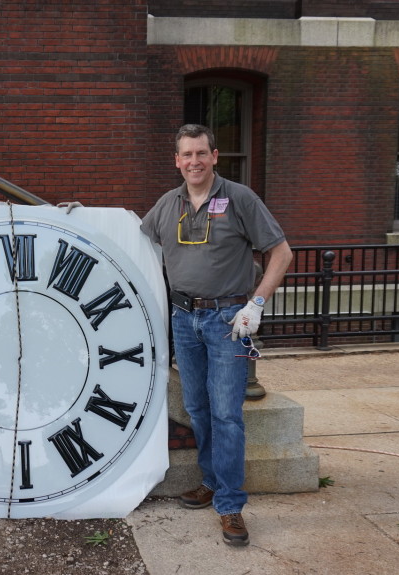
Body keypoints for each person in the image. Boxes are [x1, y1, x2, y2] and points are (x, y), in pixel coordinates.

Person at [140, 124, 293, 547]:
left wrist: (257, 304)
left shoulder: (240, 198)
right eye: (186, 155)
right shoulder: (167, 204)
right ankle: (210, 481)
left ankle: (230, 505)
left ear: (215, 156)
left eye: (201, 154)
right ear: (177, 160)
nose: (194, 162)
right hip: (183, 319)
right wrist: (83, 217)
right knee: (197, 407)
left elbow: (281, 252)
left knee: (226, 413)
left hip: (229, 320)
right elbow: (133, 238)